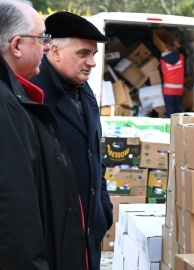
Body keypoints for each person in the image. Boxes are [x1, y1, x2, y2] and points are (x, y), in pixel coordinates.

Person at [1, 1, 87, 269]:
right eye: (41, 38)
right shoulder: (6, 105)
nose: (47, 46)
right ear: (16, 46)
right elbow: (14, 208)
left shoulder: (16, 96)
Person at [30, 11, 113, 270]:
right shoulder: (33, 95)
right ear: (54, 51)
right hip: (51, 240)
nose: (92, 62)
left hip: (88, 233)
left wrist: (102, 209)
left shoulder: (84, 92)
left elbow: (94, 157)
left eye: (93, 54)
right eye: (83, 54)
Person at [160, 39, 187, 117]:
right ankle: (177, 126)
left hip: (168, 90)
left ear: (166, 49)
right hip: (179, 90)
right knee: (177, 109)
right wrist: (179, 46)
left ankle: (170, 124)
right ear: (175, 48)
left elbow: (160, 70)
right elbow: (186, 54)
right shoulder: (181, 57)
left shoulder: (162, 60)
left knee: (170, 108)